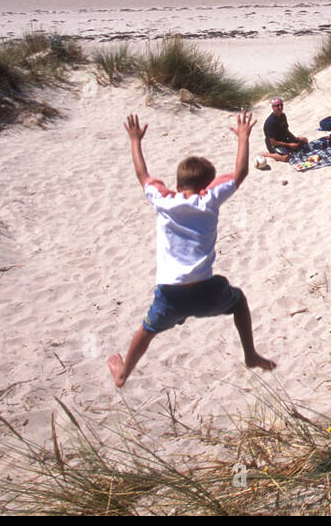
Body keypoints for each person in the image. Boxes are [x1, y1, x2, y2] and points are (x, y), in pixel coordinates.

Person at [108, 110, 275, 388]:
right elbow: (240, 173)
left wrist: (135, 140)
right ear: (206, 186)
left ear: (176, 185)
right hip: (205, 291)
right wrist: (243, 137)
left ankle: (124, 372)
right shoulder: (209, 200)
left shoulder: (163, 200)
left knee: (147, 330)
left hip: (170, 295)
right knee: (238, 301)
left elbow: (142, 174)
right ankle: (250, 354)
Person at [261, 96, 308, 161]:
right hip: (274, 145)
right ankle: (269, 154)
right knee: (286, 157)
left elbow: (286, 130)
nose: (280, 107)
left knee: (304, 140)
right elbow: (273, 142)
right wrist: (289, 145)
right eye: (277, 105)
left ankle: (289, 147)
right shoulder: (270, 122)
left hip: (284, 140)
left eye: (281, 105)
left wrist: (294, 138)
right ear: (273, 107)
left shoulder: (283, 116)